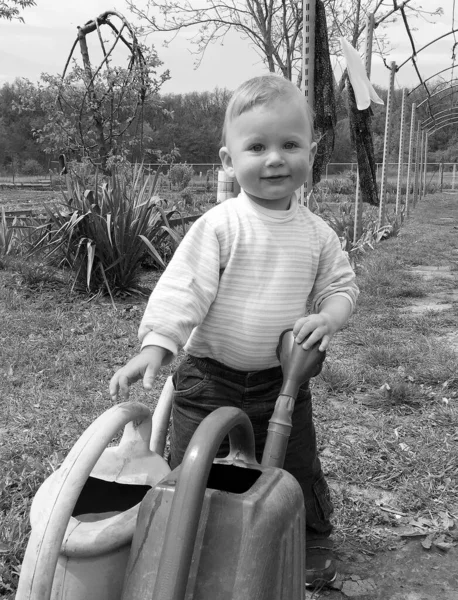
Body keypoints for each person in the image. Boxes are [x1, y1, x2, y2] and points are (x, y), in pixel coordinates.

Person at [110, 74, 359, 588]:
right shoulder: (222, 225)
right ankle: (186, 537)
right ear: (228, 161)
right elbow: (185, 289)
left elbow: (341, 286)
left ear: (311, 153)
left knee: (295, 465)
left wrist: (329, 315)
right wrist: (158, 344)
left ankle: (308, 536)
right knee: (195, 465)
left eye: (290, 145)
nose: (275, 158)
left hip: (281, 382)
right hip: (209, 378)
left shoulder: (317, 234)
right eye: (257, 146)